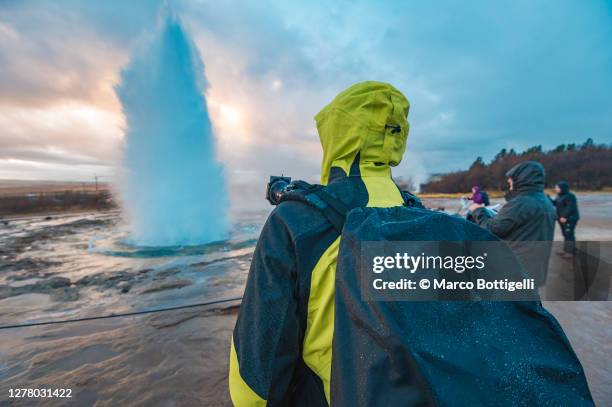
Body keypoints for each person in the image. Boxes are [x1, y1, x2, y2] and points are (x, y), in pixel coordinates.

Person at [230, 84, 593, 406]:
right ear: (396, 138)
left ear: (335, 135)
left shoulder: (297, 221)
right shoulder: (422, 216)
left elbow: (255, 377)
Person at [469, 161, 556, 285]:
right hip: (535, 269)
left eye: (510, 183)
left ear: (521, 180)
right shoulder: (545, 201)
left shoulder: (521, 203)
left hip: (516, 271)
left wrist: (478, 211)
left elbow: (492, 230)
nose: (510, 186)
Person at [552, 181, 580, 255]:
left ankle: (570, 252)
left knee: (569, 234)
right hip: (561, 218)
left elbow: (570, 207)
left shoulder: (570, 196)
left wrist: (564, 216)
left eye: (557, 187)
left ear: (562, 188)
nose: (555, 189)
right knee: (565, 234)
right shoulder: (559, 196)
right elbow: (555, 203)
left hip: (570, 218)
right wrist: (548, 199)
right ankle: (567, 250)